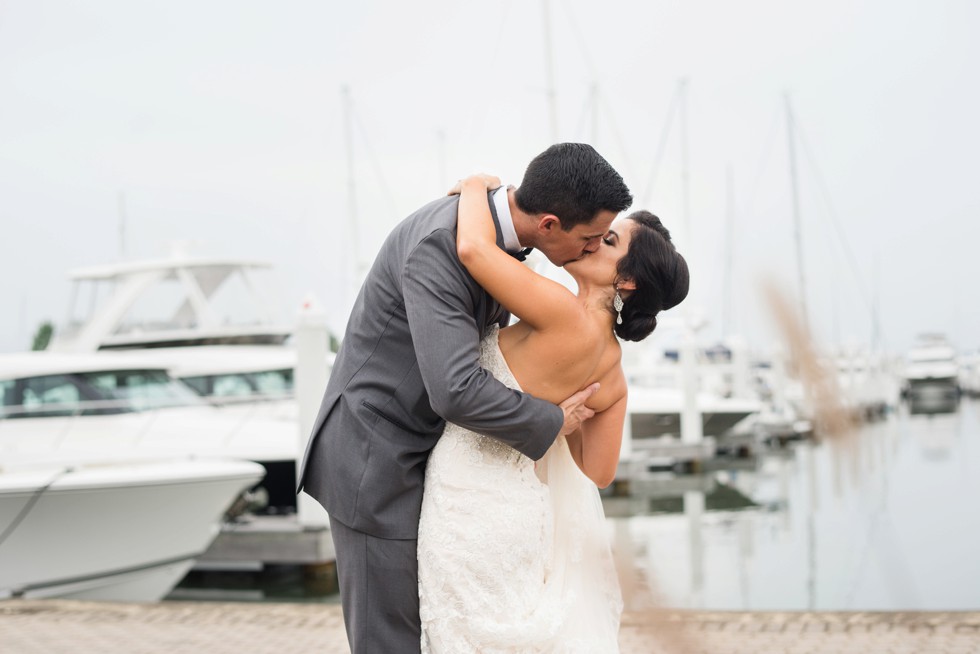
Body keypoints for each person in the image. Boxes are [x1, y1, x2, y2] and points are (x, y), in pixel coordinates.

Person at [298, 143, 634, 653]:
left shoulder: (493, 239)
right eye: (589, 239)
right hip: (376, 458)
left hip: (434, 463)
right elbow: (455, 389)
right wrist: (549, 419)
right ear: (548, 224)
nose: (591, 250)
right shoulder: (441, 245)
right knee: (389, 641)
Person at [417, 174, 689, 652]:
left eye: (607, 240)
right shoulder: (614, 374)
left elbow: (475, 251)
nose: (589, 240)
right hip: (525, 517)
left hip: (467, 499)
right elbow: (599, 472)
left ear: (626, 280)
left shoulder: (562, 311)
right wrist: (561, 421)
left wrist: (478, 186)